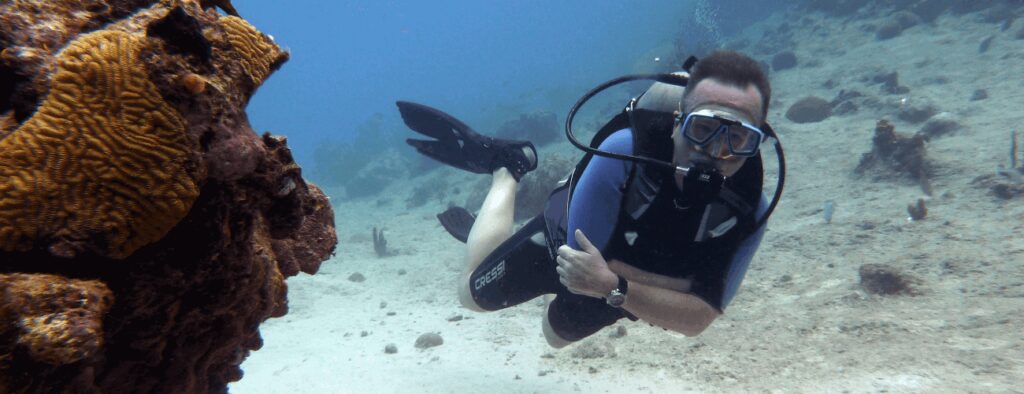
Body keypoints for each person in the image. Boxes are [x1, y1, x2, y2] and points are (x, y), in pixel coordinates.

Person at [398, 50, 773, 348]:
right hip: (562, 239)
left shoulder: (749, 205)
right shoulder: (623, 150)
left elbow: (699, 319)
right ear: (677, 123)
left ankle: (565, 288)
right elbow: (579, 263)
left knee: (554, 336)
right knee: (469, 295)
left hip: (611, 282)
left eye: (737, 139)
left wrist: (618, 286)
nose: (714, 152)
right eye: (702, 130)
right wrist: (679, 288)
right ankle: (507, 168)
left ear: (755, 142)